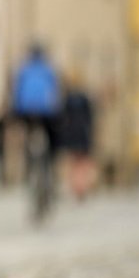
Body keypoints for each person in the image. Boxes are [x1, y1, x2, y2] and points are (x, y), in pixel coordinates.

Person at [11, 44, 61, 216]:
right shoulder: (49, 69)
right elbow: (56, 93)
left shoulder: (23, 69)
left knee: (28, 141)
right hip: (47, 113)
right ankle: (50, 168)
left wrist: (16, 113)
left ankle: (29, 167)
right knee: (52, 143)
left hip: (26, 112)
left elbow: (16, 94)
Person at [58, 71, 96, 201]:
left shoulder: (67, 99)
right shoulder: (85, 99)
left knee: (73, 162)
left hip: (71, 134)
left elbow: (62, 118)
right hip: (83, 133)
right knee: (83, 162)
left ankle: (75, 186)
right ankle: (82, 187)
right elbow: (90, 118)